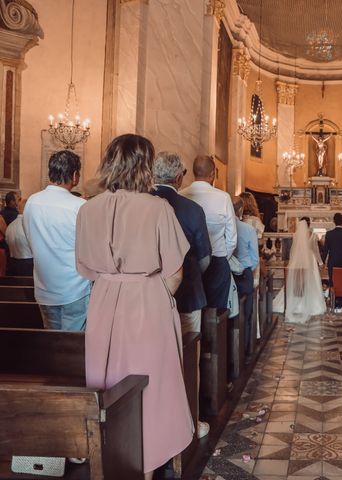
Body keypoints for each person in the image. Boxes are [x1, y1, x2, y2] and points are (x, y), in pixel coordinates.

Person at [76, 134, 193, 478]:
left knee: (107, 378)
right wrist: (151, 292)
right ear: (145, 166)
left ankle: (110, 456)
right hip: (148, 301)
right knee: (152, 384)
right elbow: (174, 273)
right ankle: (150, 457)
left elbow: (85, 268)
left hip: (105, 303)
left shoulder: (87, 209)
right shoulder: (158, 208)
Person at [151, 152, 212, 438]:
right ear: (179, 177)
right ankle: (189, 422)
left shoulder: (143, 205)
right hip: (187, 294)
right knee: (189, 358)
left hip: (148, 298)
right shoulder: (191, 209)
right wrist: (191, 276)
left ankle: (154, 424)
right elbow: (203, 258)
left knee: (153, 359)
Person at [23, 150, 90, 331]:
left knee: (52, 346)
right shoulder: (80, 206)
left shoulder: (31, 202)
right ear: (75, 175)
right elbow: (88, 252)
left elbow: (30, 243)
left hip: (44, 287)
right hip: (75, 289)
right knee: (73, 348)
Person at [181, 155, 237, 309]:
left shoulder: (181, 195)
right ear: (212, 174)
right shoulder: (223, 198)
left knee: (190, 311)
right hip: (217, 261)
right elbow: (232, 237)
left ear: (193, 172)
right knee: (217, 311)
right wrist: (223, 257)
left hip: (188, 262)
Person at [274, 219, 326, 323]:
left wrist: (292, 261)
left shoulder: (295, 235)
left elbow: (293, 250)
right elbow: (315, 250)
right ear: (309, 224)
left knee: (297, 280)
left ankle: (295, 303)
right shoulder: (313, 235)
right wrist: (320, 263)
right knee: (311, 281)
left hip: (298, 260)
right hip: (310, 260)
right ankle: (310, 305)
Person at [231, 196, 259, 360]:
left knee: (229, 312)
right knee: (246, 312)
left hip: (226, 273)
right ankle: (246, 351)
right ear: (241, 210)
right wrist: (247, 270)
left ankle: (230, 353)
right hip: (245, 274)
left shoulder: (222, 227)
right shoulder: (248, 229)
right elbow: (254, 257)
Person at [322, 213, 342, 313]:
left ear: (334, 221)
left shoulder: (329, 234)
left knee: (332, 282)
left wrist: (322, 262)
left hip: (333, 262)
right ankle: (339, 305)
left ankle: (333, 303)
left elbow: (325, 250)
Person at [5, 197, 33, 276]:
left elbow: (7, 242)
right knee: (28, 287)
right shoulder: (30, 225)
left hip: (12, 263)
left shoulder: (10, 226)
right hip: (28, 263)